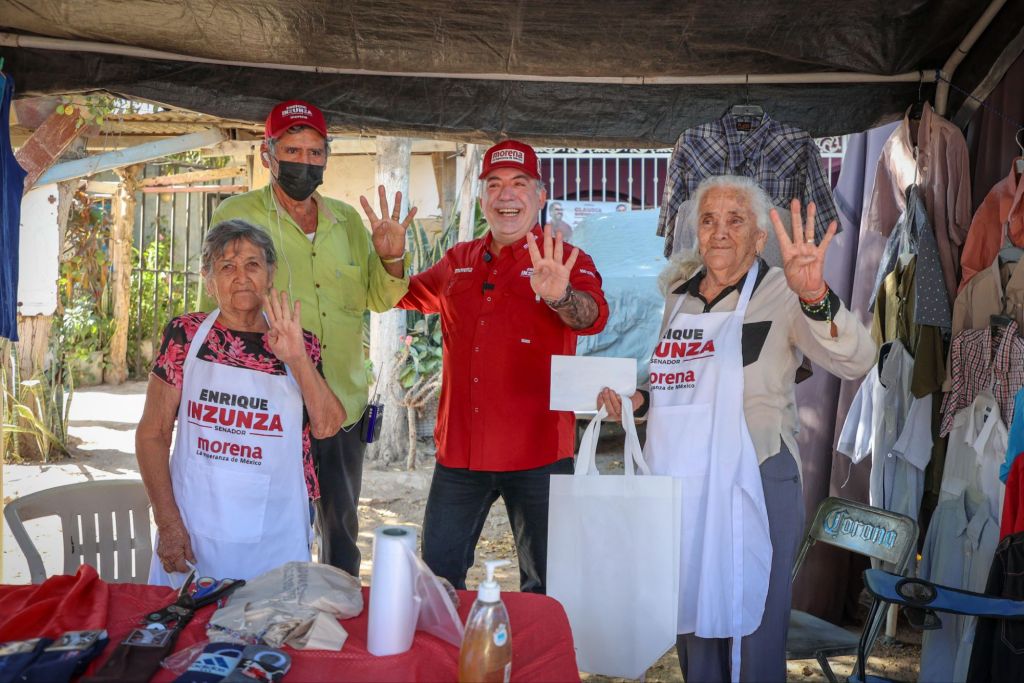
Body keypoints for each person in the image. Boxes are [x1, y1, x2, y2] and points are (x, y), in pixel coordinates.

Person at [598, 175, 876, 682]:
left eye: (735, 220)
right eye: (709, 220)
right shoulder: (678, 298)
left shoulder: (785, 292)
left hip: (759, 475)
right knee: (693, 614)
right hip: (685, 483)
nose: (720, 231)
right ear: (697, 233)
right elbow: (676, 384)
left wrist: (816, 295)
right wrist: (639, 400)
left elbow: (857, 359)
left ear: (760, 236)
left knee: (754, 622)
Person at [206, 100, 415, 578]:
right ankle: (267, 608)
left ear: (326, 158)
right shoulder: (238, 214)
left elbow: (379, 297)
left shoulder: (347, 222)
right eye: (293, 150)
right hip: (266, 407)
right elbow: (220, 302)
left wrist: (392, 258)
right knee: (270, 527)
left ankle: (338, 608)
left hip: (340, 404)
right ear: (268, 154)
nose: (305, 161)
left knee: (340, 532)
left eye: (315, 152)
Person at [396, 140, 609, 593]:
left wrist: (561, 296)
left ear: (540, 195)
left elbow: (591, 316)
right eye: (494, 185)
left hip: (539, 453)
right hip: (461, 453)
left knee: (548, 585)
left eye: (519, 183)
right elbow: (402, 294)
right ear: (482, 199)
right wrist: (391, 256)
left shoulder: (564, 259)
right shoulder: (458, 261)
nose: (506, 195)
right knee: (436, 581)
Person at [137, 220, 346, 585]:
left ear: (271, 274)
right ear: (208, 279)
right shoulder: (185, 336)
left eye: (253, 264)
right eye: (227, 267)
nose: (241, 277)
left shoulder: (300, 342)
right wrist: (167, 523)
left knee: (273, 616)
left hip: (276, 532)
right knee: (187, 618)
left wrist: (296, 357)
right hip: (194, 533)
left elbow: (328, 425)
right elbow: (152, 434)